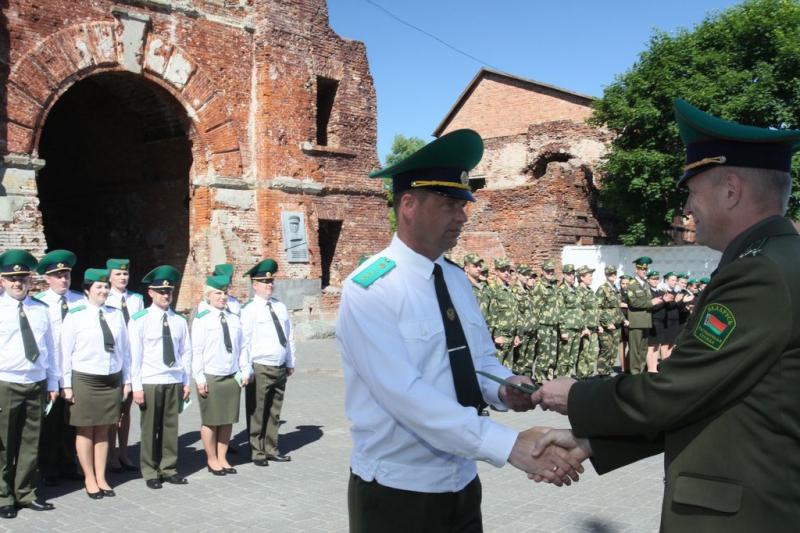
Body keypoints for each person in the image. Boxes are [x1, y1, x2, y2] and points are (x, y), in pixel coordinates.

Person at [530, 98, 800, 531]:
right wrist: (595, 441)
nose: (688, 209)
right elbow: (712, 394)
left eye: (692, 192)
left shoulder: (759, 273)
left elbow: (677, 391)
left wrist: (576, 396)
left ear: (731, 190)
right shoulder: (773, 259)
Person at [337, 129, 583, 533]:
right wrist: (509, 445)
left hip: (462, 480)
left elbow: (478, 360)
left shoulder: (455, 279)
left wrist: (504, 386)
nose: (463, 216)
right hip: (398, 491)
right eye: (450, 204)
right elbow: (405, 395)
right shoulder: (369, 288)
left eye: (463, 204)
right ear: (409, 205)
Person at [60, 268, 131, 499]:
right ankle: (89, 477)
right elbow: (65, 352)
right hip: (85, 378)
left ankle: (102, 477)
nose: (104, 290)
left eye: (106, 287)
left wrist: (126, 379)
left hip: (111, 378)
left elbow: (125, 350)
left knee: (103, 429)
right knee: (85, 429)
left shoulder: (115, 313)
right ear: (87, 289)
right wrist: (66, 384)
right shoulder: (76, 314)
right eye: (99, 287)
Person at [0, 250, 59, 517]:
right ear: (2, 280)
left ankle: (25, 492)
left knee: (29, 442)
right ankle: (4, 496)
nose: (17, 283)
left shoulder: (40, 309)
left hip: (36, 382)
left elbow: (50, 348)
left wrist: (53, 382)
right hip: (6, 382)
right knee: (4, 443)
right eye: (11, 279)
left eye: (22, 278)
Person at [129, 265, 192, 489]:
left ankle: (169, 468)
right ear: (151, 293)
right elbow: (134, 357)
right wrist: (136, 386)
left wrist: (186, 381)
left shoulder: (180, 321)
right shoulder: (140, 319)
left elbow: (186, 352)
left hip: (173, 380)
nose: (165, 296)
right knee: (149, 429)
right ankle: (150, 470)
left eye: (169, 292)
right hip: (151, 380)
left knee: (170, 427)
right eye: (161, 292)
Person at [32, 249, 85, 486]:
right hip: (51, 370)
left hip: (76, 370)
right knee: (50, 423)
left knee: (71, 422)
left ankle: (68, 463)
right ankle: (48, 467)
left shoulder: (80, 301)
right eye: (58, 276)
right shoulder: (39, 303)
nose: (63, 280)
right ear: (47, 278)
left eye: (66, 275)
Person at [191, 275, 251, 475]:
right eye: (218, 293)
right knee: (211, 420)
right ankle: (211, 458)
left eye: (225, 293)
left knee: (227, 419)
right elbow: (196, 351)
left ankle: (223, 457)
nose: (223, 297)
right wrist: (199, 378)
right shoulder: (202, 320)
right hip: (212, 376)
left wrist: (245, 370)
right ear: (208, 296)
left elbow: (242, 347)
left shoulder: (234, 318)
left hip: (231, 375)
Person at [241, 258, 296, 466]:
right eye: (265, 282)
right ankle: (257, 451)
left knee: (274, 410)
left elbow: (288, 335)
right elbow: (244, 342)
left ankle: (271, 448)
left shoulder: (279, 307)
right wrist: (247, 369)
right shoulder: (249, 310)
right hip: (260, 365)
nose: (269, 285)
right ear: (255, 285)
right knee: (257, 410)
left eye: (271, 281)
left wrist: (290, 360)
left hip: (280, 364)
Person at [104, 258, 143, 474]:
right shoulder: (103, 296)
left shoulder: (136, 299)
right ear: (110, 276)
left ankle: (123, 452)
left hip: (132, 358)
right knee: (112, 410)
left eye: (125, 274)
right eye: (118, 274)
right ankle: (111, 454)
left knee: (126, 410)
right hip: (114, 358)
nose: (122, 277)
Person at [624, 257, 663, 374]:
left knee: (643, 349)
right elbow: (634, 302)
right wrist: (651, 302)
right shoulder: (632, 285)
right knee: (635, 349)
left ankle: (640, 370)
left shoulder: (645, 285)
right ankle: (634, 372)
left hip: (646, 321)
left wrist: (657, 301)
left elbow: (648, 300)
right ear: (636, 270)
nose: (644, 271)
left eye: (645, 269)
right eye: (641, 269)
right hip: (636, 322)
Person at [485, 257, 520, 369]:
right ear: (496, 271)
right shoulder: (492, 289)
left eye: (508, 270)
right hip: (501, 336)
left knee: (508, 368)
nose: (506, 273)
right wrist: (497, 335)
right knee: (497, 367)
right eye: (503, 270)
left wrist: (516, 334)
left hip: (511, 335)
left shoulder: (510, 289)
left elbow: (515, 312)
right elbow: (491, 314)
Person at [532, 259, 559, 383]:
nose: (550, 272)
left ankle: (550, 376)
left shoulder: (553, 286)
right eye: (547, 270)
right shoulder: (539, 287)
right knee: (543, 354)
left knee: (552, 354)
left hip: (553, 325)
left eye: (551, 270)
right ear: (542, 271)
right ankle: (540, 378)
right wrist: (536, 328)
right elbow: (536, 308)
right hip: (543, 325)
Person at [595, 265, 625, 376]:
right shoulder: (602, 289)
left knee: (613, 351)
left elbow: (617, 308)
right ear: (605, 274)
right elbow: (598, 308)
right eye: (609, 273)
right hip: (607, 326)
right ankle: (602, 373)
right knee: (606, 350)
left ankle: (609, 371)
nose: (612, 275)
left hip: (616, 325)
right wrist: (606, 323)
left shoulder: (615, 289)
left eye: (614, 273)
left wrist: (623, 319)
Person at [555, 264, 581, 378]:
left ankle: (569, 379)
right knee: (564, 358)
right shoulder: (561, 290)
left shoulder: (574, 290)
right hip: (568, 328)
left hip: (577, 327)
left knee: (573, 358)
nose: (572, 276)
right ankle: (561, 379)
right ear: (564, 275)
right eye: (569, 274)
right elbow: (559, 311)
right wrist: (563, 330)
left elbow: (579, 309)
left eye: (573, 274)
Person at [575, 266, 601, 379]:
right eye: (589, 276)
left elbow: (595, 310)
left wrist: (598, 324)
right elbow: (578, 311)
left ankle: (589, 377)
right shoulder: (578, 292)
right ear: (581, 277)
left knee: (592, 355)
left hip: (593, 328)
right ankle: (582, 378)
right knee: (583, 355)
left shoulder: (590, 291)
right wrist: (584, 327)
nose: (592, 278)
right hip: (584, 329)